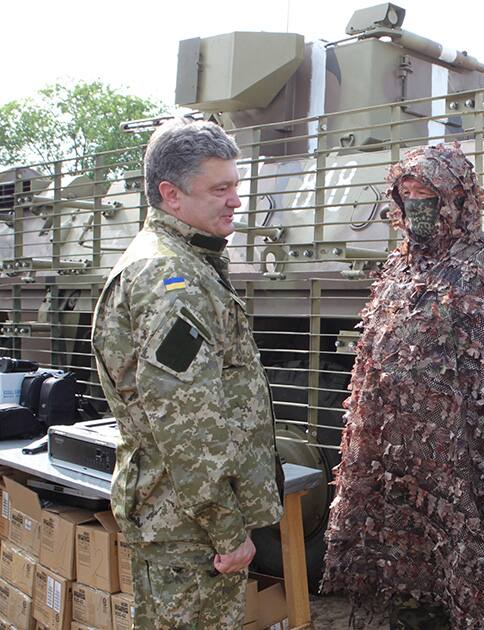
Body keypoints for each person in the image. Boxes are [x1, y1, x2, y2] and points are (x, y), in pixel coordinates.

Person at [321, 142, 484, 630]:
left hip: (470, 459)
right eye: (406, 195)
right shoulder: (397, 268)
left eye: (426, 192)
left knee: (472, 579)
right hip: (396, 461)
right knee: (408, 587)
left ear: (457, 197)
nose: (415, 204)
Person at [92, 119, 284, 628]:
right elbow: (187, 425)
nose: (235, 201)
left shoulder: (183, 264)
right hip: (189, 529)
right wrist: (227, 531)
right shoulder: (170, 279)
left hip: (180, 516)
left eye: (236, 187)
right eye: (220, 189)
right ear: (170, 195)